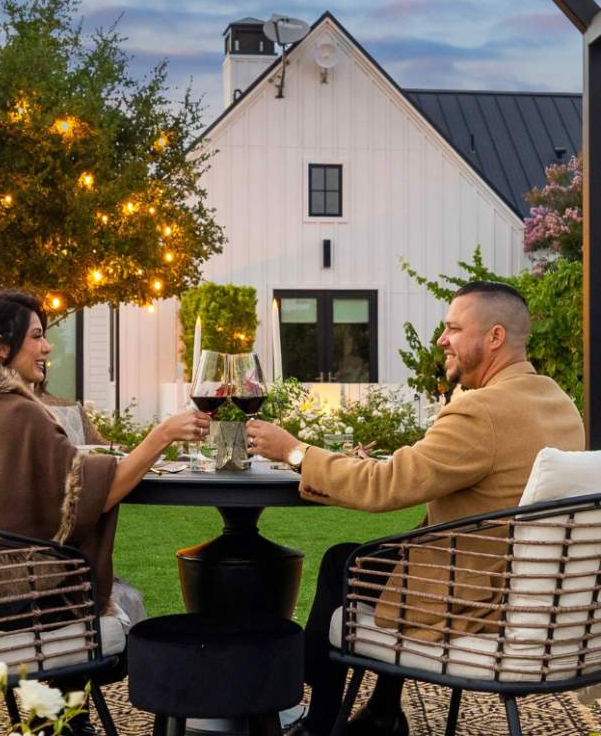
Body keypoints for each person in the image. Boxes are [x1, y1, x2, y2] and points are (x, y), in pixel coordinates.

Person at [246, 281, 585, 736]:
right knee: (381, 558)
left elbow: (385, 489)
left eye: (453, 328)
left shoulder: (480, 411)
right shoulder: (558, 402)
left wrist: (294, 452)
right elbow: (480, 475)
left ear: (495, 337)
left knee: (343, 563)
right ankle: (381, 710)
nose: (442, 340)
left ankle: (305, 712)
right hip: (532, 597)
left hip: (473, 597)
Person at [0, 288, 211, 734]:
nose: (47, 347)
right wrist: (163, 434)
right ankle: (68, 721)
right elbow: (95, 492)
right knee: (108, 598)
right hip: (15, 606)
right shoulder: (20, 413)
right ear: (1, 347)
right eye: (36, 337)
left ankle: (56, 717)